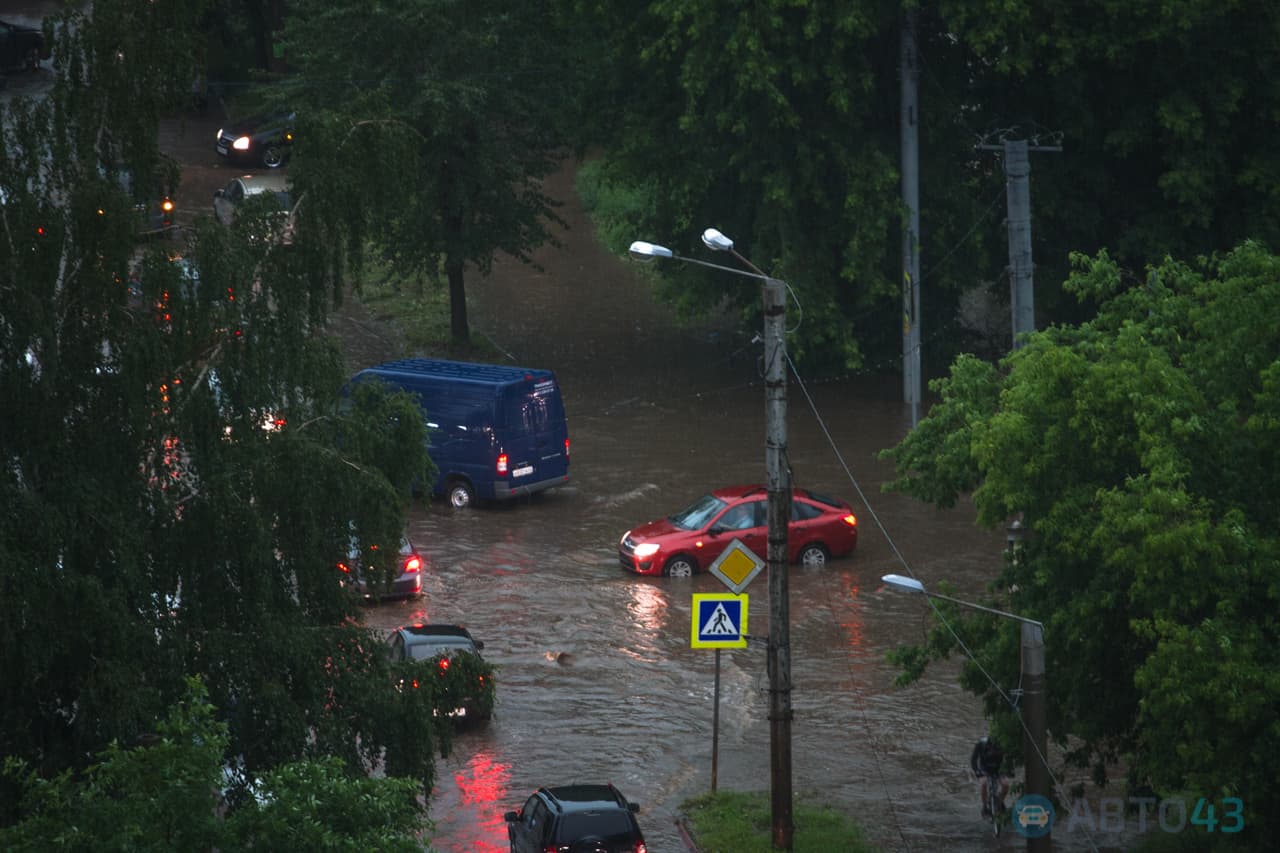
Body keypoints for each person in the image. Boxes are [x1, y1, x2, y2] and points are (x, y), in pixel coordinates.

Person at [970, 735, 1008, 817]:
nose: (993, 751)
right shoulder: (981, 744)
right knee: (984, 784)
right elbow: (973, 759)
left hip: (998, 769)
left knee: (1005, 785)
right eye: (991, 749)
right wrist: (977, 772)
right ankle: (985, 806)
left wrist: (1009, 770)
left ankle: (1000, 802)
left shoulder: (1003, 744)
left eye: (996, 749)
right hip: (984, 769)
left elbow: (1008, 759)